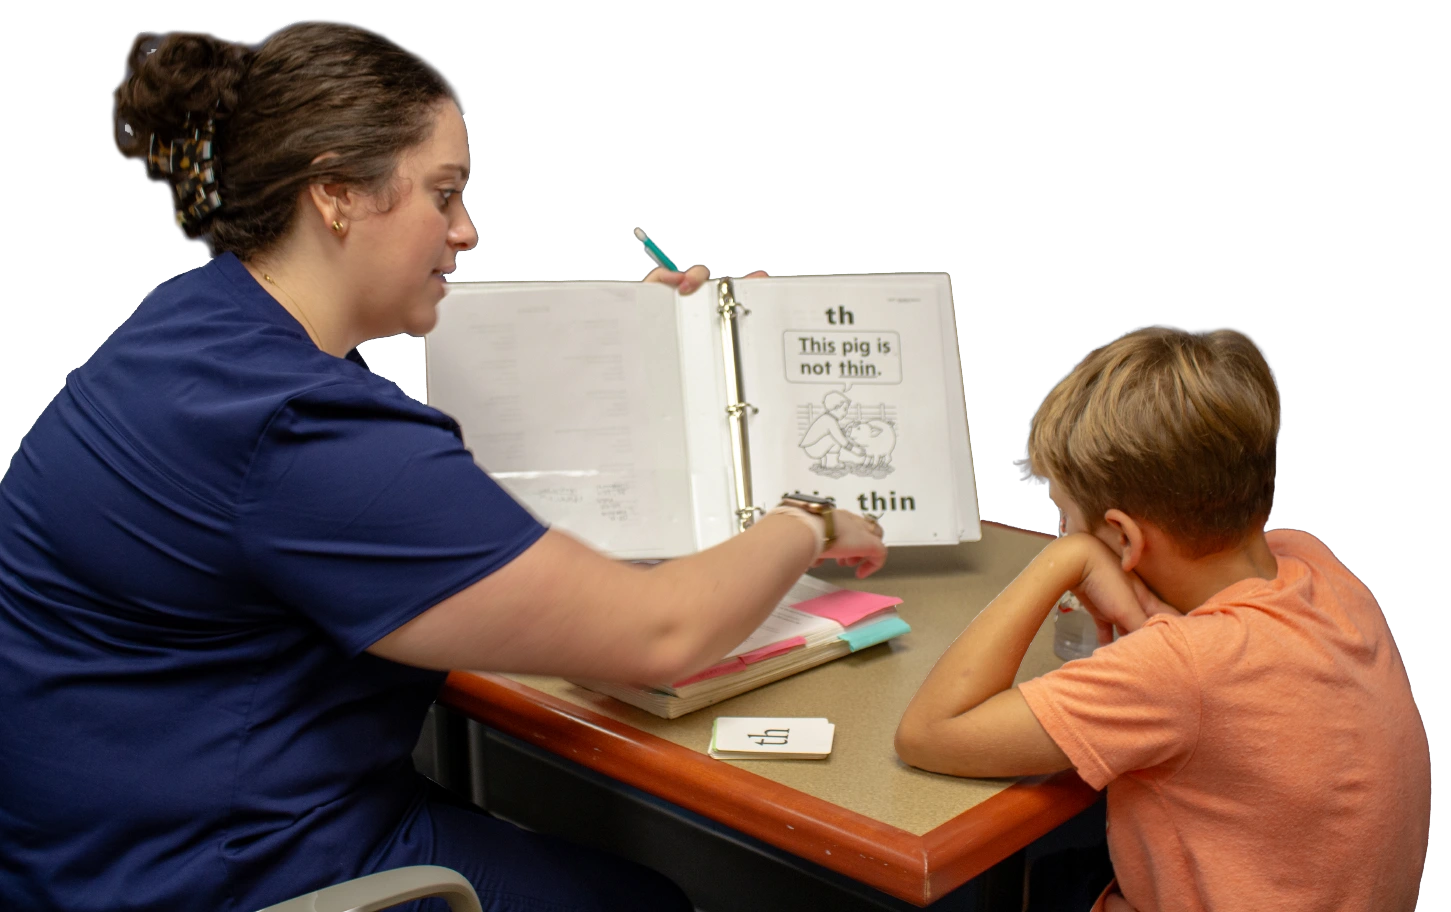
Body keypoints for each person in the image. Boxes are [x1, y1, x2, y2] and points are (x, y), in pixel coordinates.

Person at [0, 20, 886, 912]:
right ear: (337, 192)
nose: (465, 231)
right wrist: (802, 517)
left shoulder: (199, 330)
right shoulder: (300, 425)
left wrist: (637, 345)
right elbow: (661, 632)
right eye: (445, 193)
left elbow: (361, 494)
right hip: (220, 873)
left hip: (91, 849)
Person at [893, 325, 1428, 912]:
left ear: (1123, 537)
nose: (1068, 534)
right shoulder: (1314, 563)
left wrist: (1063, 560)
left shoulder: (1180, 667)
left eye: (1067, 518)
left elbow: (928, 734)